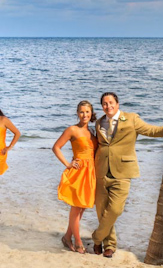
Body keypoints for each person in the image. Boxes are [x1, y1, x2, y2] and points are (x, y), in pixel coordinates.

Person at [92, 92, 163, 258]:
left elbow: (150, 130)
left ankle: (96, 238)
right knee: (102, 210)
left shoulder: (131, 119)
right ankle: (109, 245)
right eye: (105, 104)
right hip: (100, 170)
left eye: (111, 102)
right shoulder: (99, 122)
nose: (108, 106)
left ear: (117, 103)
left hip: (122, 172)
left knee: (115, 209)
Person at [52, 100, 98, 254]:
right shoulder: (72, 130)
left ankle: (67, 237)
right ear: (77, 113)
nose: (84, 114)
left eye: (87, 112)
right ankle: (78, 242)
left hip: (90, 172)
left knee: (82, 207)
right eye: (81, 112)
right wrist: (68, 164)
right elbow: (56, 147)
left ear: (91, 113)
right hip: (78, 172)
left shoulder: (92, 132)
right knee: (76, 208)